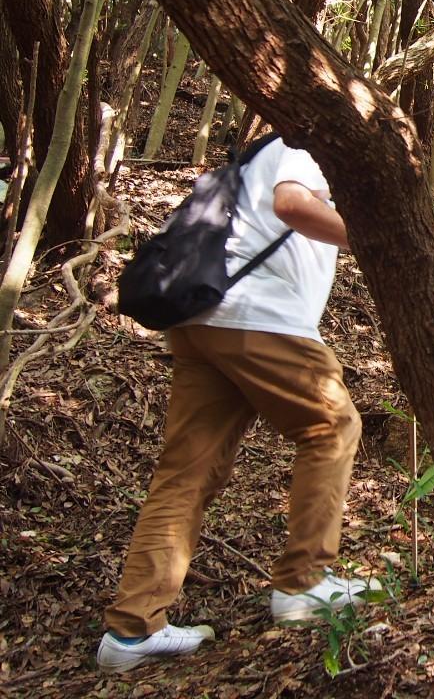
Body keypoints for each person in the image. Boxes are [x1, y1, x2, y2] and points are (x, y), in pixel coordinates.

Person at [97, 138, 375, 673]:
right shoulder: (306, 138)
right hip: (258, 316)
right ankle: (305, 583)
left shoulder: (258, 157)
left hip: (204, 322)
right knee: (332, 425)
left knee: (186, 471)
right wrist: (379, 238)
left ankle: (131, 629)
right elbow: (292, 205)